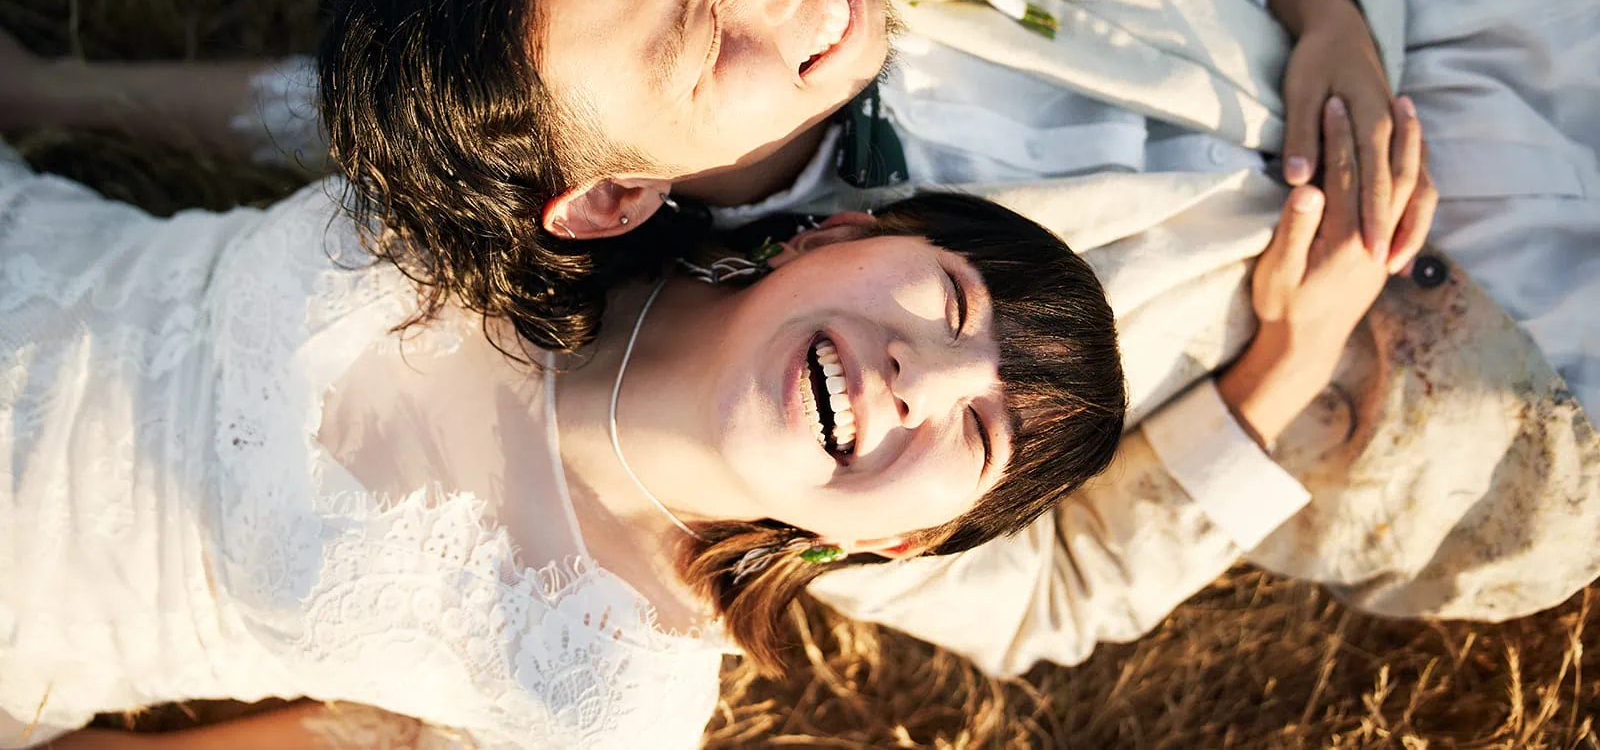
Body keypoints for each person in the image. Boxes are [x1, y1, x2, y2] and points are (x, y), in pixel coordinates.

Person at [4, 0, 1596, 674]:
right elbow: (1048, 597)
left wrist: (1321, 6)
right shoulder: (807, 393)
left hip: (1425, 21)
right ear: (613, 194)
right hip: (1437, 354)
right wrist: (1282, 369)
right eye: (703, 38)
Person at [0, 119, 1127, 747]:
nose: (919, 375)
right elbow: (341, 85)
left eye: (977, 431)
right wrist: (60, 91)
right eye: (951, 301)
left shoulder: (607, 698)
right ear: (834, 232)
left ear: (894, 545)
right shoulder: (585, 180)